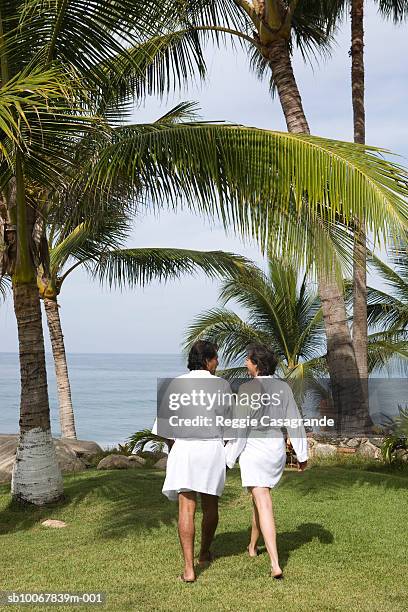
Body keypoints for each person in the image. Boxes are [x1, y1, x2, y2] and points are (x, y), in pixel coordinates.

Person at [152, 340, 238, 583]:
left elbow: (164, 429)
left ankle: (189, 569)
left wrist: (175, 449)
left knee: (186, 508)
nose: (218, 362)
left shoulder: (176, 384)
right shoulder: (222, 385)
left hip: (185, 450)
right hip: (211, 450)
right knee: (211, 507)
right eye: (216, 358)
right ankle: (204, 554)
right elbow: (230, 428)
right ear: (208, 360)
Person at [225, 344, 308, 579]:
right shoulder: (283, 388)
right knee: (258, 499)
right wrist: (301, 456)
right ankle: (252, 547)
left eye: (247, 360)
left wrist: (228, 456)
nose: (244, 363)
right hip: (275, 451)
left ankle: (275, 563)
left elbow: (239, 428)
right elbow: (294, 421)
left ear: (257, 364)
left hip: (255, 451)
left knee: (263, 503)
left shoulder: (247, 389)